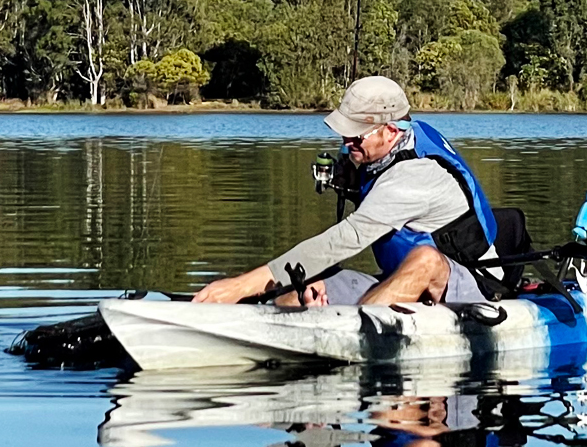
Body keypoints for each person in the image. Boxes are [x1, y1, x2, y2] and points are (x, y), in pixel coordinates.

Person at [193, 75, 501, 306]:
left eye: (356, 138)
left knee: (425, 259)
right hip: (398, 279)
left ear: (391, 130)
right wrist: (355, 180)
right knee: (302, 289)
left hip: (469, 285)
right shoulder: (395, 144)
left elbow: (340, 241)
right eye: (344, 135)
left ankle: (355, 331)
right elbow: (377, 177)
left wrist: (239, 285)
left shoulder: (414, 175)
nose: (346, 144)